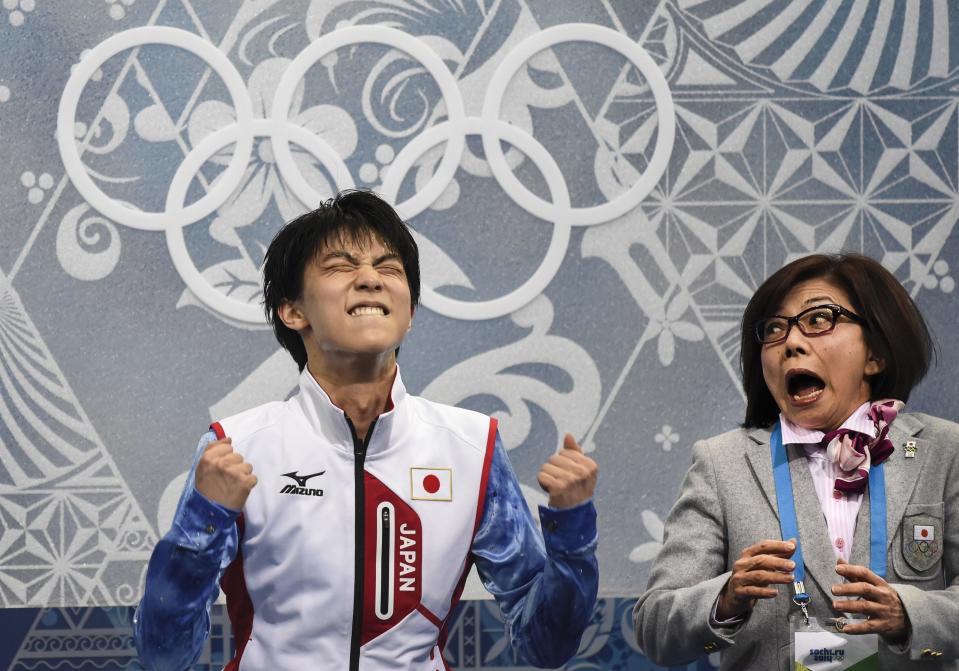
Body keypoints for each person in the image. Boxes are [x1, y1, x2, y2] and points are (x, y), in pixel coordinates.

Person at [133, 190, 599, 670]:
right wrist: (201, 523)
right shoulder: (237, 447)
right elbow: (163, 656)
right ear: (292, 311)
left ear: (410, 312)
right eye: (340, 267)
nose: (371, 280)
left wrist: (573, 531)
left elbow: (546, 647)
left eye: (389, 269)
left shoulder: (471, 448)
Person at [634, 253, 958, 670]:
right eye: (774, 329)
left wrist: (908, 615)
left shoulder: (943, 451)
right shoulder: (721, 462)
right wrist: (726, 598)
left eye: (819, 319)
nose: (791, 342)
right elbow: (655, 628)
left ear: (875, 354)